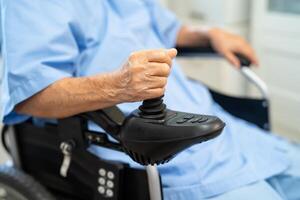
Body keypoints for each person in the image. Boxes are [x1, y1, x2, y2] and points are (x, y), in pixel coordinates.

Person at [1, 0, 299, 199]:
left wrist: (209, 34)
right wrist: (117, 86)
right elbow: (31, 95)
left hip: (218, 125)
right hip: (149, 146)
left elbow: (172, 30)